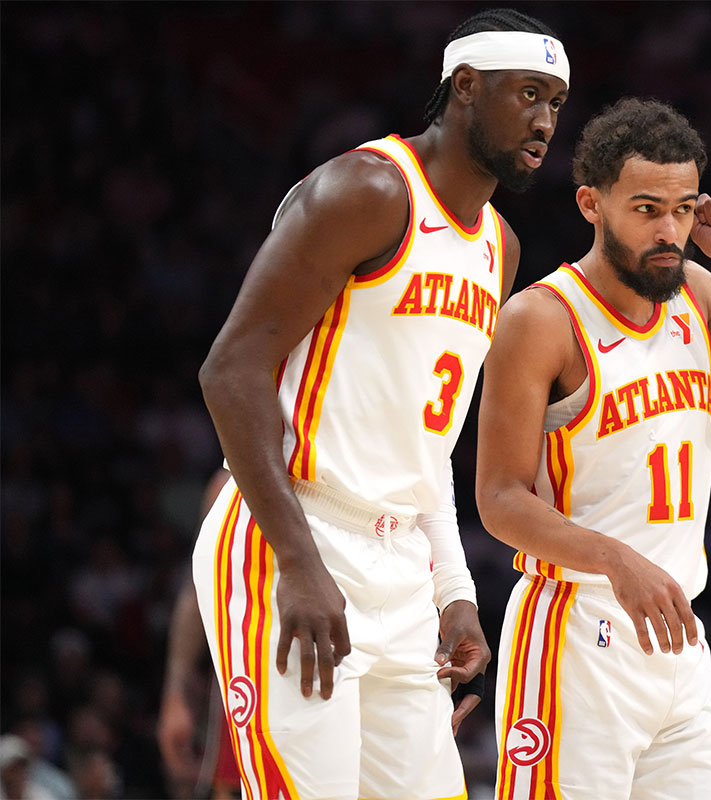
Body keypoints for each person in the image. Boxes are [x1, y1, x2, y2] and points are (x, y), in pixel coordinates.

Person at [192, 9, 570, 800]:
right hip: (290, 533)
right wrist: (297, 562)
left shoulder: (499, 248)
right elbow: (231, 370)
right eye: (528, 94)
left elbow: (430, 443)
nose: (544, 121)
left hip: (399, 562)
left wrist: (454, 592)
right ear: (465, 86)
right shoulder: (366, 188)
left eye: (557, 103)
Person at [476, 97, 711, 799]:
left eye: (685, 208)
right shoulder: (541, 319)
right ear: (591, 203)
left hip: (678, 646)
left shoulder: (697, 291)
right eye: (646, 209)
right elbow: (498, 499)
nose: (671, 230)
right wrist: (615, 559)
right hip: (576, 634)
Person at [158, 467, 240, 799]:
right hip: (247, 672)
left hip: (351, 660)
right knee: (232, 789)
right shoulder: (227, 485)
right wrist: (176, 693)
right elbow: (196, 590)